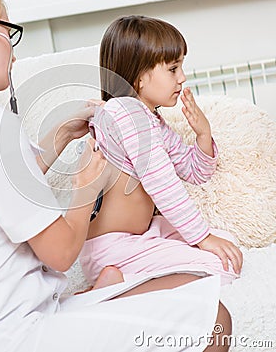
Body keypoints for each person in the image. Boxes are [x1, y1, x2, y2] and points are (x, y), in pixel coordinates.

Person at [0, 0, 232, 352]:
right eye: (10, 33)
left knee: (188, 283)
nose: (13, 53)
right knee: (215, 319)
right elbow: (59, 254)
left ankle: (103, 295)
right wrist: (84, 185)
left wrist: (57, 140)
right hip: (15, 334)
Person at [79, 15, 244, 290]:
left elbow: (195, 172)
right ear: (140, 77)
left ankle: (121, 280)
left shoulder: (149, 119)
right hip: (111, 247)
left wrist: (203, 134)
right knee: (220, 267)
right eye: (173, 69)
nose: (182, 77)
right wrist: (201, 238)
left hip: (137, 238)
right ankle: (117, 285)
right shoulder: (127, 114)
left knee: (227, 243)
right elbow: (163, 184)